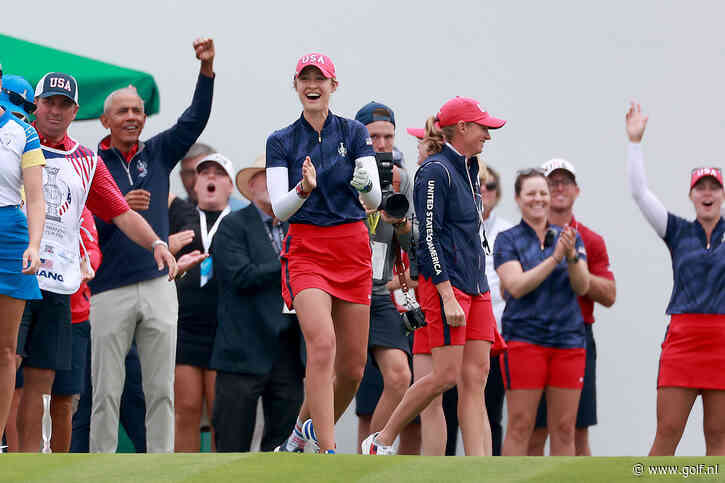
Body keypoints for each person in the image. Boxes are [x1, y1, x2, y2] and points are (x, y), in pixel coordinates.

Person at [16, 71, 176, 453]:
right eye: (48, 102)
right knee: (7, 364)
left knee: (42, 377)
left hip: (58, 283)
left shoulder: (85, 160)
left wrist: (155, 242)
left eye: (64, 104)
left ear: (75, 112)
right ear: (35, 105)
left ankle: (32, 465)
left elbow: (120, 213)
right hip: (14, 275)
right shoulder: (13, 142)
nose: (55, 111)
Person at [89, 38, 214, 453]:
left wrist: (207, 70)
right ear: (105, 121)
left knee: (161, 387)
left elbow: (194, 119)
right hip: (108, 289)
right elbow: (86, 230)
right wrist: (119, 208)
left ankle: (159, 467)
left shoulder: (158, 153)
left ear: (144, 119)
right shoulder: (89, 164)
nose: (131, 116)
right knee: (106, 389)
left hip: (159, 285)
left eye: (137, 111)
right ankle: (99, 469)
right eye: (122, 111)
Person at [363, 96, 504, 456]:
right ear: (462, 128)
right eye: (481, 127)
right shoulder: (435, 171)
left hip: (477, 285)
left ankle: (478, 470)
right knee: (444, 377)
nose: (487, 134)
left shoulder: (470, 168)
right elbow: (427, 236)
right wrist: (446, 294)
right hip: (450, 286)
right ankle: (381, 440)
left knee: (476, 379)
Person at [267, 53, 380, 453]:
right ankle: (327, 452)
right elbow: (278, 208)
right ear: (295, 85)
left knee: (352, 368)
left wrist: (367, 185)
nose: (312, 85)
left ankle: (302, 431)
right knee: (322, 345)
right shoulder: (281, 140)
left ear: (334, 85)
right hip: (307, 249)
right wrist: (303, 189)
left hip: (351, 248)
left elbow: (375, 198)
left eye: (321, 78)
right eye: (305, 79)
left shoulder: (354, 133)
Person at [626, 102, 725, 456]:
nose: (708, 194)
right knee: (667, 431)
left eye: (714, 188)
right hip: (683, 340)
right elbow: (640, 194)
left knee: (719, 436)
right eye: (701, 188)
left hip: (722, 341)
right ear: (691, 195)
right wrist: (634, 143)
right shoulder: (678, 231)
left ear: (722, 194)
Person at [210, 154, 304, 452]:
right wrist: (291, 262)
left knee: (283, 449)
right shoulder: (232, 226)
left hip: (289, 352)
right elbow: (240, 276)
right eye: (266, 176)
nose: (274, 183)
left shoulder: (298, 227)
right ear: (251, 186)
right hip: (242, 352)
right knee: (231, 446)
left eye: (279, 177)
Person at [494, 168, 590, 456]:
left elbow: (582, 285)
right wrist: (555, 258)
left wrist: (571, 256)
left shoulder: (570, 238)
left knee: (564, 427)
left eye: (543, 193)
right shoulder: (507, 239)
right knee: (521, 424)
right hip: (524, 341)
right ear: (518, 199)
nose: (538, 199)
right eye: (531, 193)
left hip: (568, 341)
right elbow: (516, 286)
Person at [528, 159, 616, 456]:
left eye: (565, 182)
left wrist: (575, 266)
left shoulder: (591, 240)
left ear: (577, 190)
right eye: (552, 182)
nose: (559, 188)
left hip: (577, 337)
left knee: (576, 432)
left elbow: (609, 294)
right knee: (533, 432)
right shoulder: (523, 237)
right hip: (533, 337)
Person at [352, 101, 419, 455]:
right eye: (373, 136)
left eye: (388, 137)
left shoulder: (402, 178)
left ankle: (371, 454)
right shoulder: (344, 170)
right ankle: (312, 448)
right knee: (335, 380)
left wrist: (401, 220)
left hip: (379, 291)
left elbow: (412, 241)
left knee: (399, 377)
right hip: (342, 289)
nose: (381, 144)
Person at [170, 153, 235, 452]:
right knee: (185, 410)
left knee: (222, 415)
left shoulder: (239, 222)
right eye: (204, 173)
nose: (211, 178)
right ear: (193, 185)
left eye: (219, 174)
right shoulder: (180, 215)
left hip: (226, 331)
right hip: (185, 327)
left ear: (231, 186)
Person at [405, 123, 461, 456]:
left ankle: (383, 439)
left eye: (420, 142)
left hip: (445, 293)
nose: (416, 149)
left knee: (450, 387)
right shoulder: (432, 182)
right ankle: (433, 470)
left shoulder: (437, 177)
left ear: (433, 147)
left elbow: (432, 240)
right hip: (428, 292)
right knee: (430, 397)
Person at [0, 70, 45, 452]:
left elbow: (35, 196)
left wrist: (34, 242)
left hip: (9, 233)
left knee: (5, 349)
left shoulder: (22, 132)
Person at [47, 208, 101, 452]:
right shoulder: (19, 197)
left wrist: (87, 263)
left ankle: (57, 468)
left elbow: (92, 248)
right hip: (31, 306)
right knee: (24, 392)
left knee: (65, 399)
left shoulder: (80, 208)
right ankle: (20, 463)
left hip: (75, 313)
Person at [480, 164, 514, 456]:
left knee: (492, 415)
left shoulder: (507, 232)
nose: (483, 191)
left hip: (496, 335)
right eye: (478, 184)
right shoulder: (456, 225)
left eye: (489, 186)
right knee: (450, 414)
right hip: (459, 330)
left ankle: (491, 473)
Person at [177, 142, 247, 209]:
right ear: (182, 177)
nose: (197, 179)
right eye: (190, 173)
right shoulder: (171, 215)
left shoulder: (246, 216)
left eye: (204, 172)